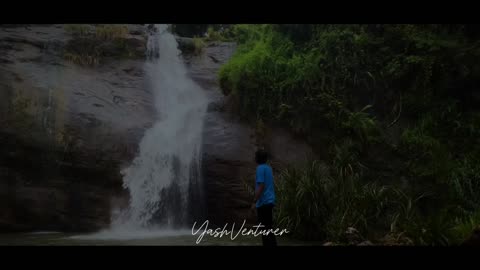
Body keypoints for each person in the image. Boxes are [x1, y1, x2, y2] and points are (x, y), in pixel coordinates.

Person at [251, 149, 277, 246]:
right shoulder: (268, 168)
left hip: (264, 202)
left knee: (264, 230)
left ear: (258, 158)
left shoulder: (260, 168)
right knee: (269, 229)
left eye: (255, 156)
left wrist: (254, 202)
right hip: (270, 201)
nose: (254, 158)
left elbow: (261, 186)